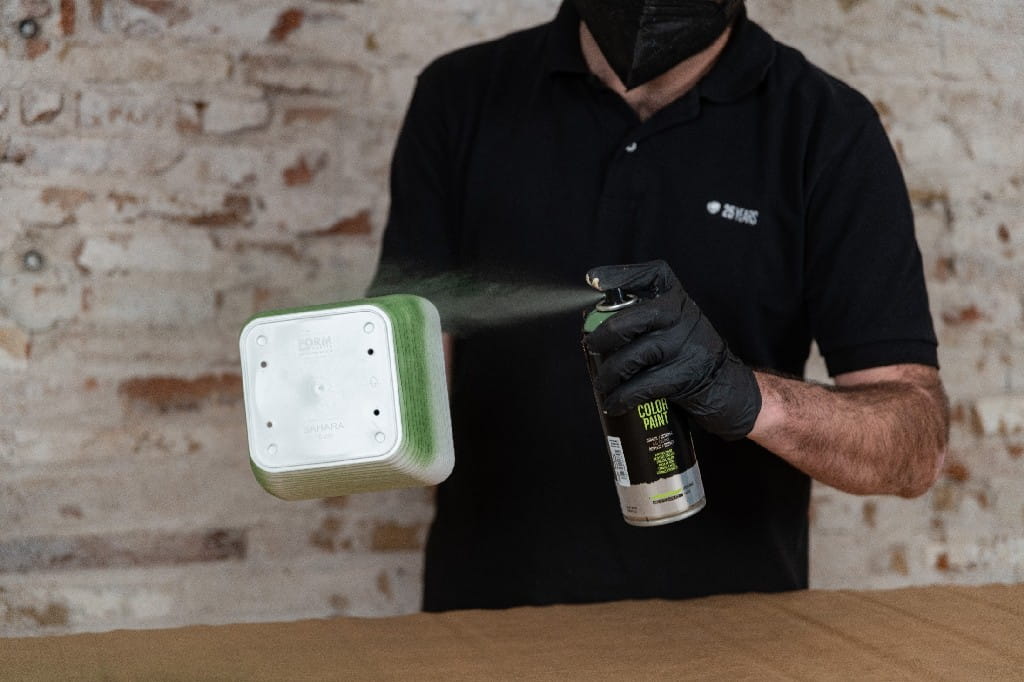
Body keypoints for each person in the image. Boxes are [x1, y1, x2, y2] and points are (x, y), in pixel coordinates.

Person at [373, 0, 949, 612]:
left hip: (730, 631)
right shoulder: (460, 94)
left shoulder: (825, 128)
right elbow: (400, 382)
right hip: (486, 622)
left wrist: (751, 397)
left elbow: (917, 446)